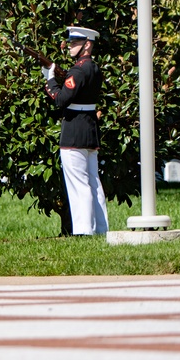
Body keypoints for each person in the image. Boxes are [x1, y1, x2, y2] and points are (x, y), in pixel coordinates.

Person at [43, 26, 108, 235]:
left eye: (75, 42)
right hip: (89, 127)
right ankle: (100, 227)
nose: (71, 45)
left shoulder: (78, 70)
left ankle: (84, 230)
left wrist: (50, 81)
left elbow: (61, 99)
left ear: (87, 44)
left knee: (79, 183)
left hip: (74, 130)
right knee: (93, 181)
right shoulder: (94, 68)